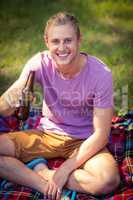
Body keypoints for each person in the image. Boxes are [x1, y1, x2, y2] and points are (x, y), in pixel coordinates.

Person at [0, 12, 120, 200]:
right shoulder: (38, 63)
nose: (62, 48)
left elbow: (101, 135)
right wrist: (12, 96)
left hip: (84, 140)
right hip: (47, 134)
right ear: (46, 42)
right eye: (55, 41)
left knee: (108, 181)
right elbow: (5, 109)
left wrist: (64, 170)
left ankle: (43, 172)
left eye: (68, 41)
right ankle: (41, 181)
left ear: (79, 40)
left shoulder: (100, 74)